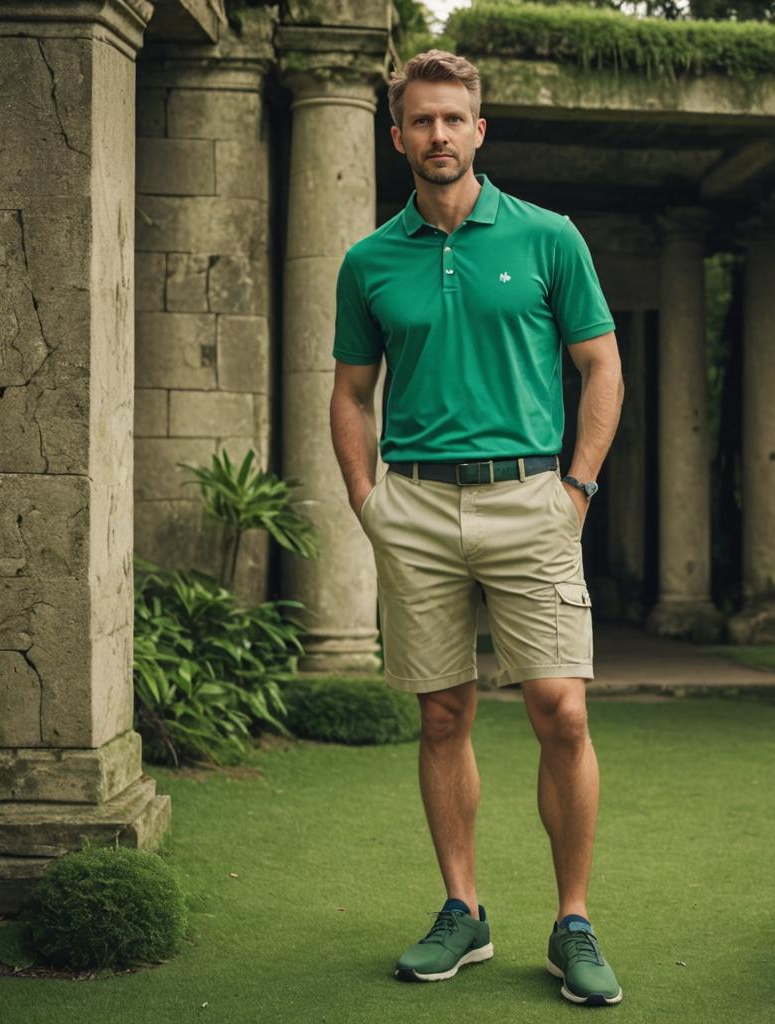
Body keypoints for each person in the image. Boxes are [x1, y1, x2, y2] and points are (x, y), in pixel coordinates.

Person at [328, 48, 625, 1007]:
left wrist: (575, 487)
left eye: (455, 119)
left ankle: (572, 922)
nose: (439, 135)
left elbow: (602, 368)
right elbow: (349, 391)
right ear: (398, 135)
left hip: (530, 499)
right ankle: (464, 912)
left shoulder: (548, 238)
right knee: (443, 713)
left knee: (561, 710)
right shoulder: (369, 260)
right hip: (412, 505)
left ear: (480, 129)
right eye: (421, 121)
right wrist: (367, 500)